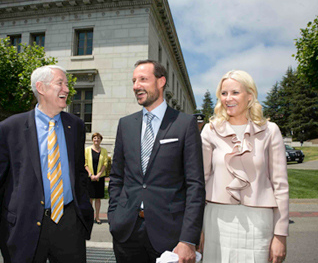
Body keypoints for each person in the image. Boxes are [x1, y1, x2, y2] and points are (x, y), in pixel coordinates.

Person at [0, 65, 94, 263]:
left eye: (67, 84)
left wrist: (83, 213)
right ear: (41, 88)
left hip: (69, 225)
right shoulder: (9, 129)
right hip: (23, 226)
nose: (67, 89)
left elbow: (79, 174)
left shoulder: (76, 126)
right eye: (60, 83)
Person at [108, 59, 205, 263]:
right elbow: (117, 176)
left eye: (143, 79)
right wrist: (115, 217)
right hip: (127, 232)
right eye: (134, 81)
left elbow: (195, 185)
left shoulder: (184, 124)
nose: (136, 86)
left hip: (170, 235)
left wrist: (188, 239)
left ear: (161, 81)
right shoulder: (125, 125)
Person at [199, 70, 289, 263]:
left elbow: (280, 186)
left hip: (259, 223)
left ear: (250, 96)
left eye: (235, 92)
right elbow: (200, 181)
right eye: (224, 93)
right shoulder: (210, 131)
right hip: (217, 221)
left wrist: (280, 235)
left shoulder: (270, 131)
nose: (228, 98)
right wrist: (197, 230)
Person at [85, 132, 108, 224]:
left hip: (100, 177)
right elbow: (85, 163)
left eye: (98, 138)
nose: (96, 140)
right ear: (92, 140)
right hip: (90, 177)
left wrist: (98, 175)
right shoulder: (87, 150)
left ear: (100, 140)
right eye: (95, 138)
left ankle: (97, 217)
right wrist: (91, 174)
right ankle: (90, 217)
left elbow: (105, 164)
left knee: (98, 198)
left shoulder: (104, 151)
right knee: (90, 198)